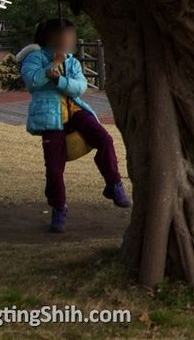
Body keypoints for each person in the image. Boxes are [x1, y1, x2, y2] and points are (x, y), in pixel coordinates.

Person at [20, 18, 130, 233]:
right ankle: (59, 208)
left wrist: (60, 80)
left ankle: (114, 184)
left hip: (76, 110)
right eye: (63, 36)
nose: (68, 41)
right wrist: (51, 67)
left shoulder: (71, 61)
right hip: (50, 117)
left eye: (70, 37)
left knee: (104, 139)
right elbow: (32, 81)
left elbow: (79, 88)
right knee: (54, 168)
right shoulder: (35, 58)